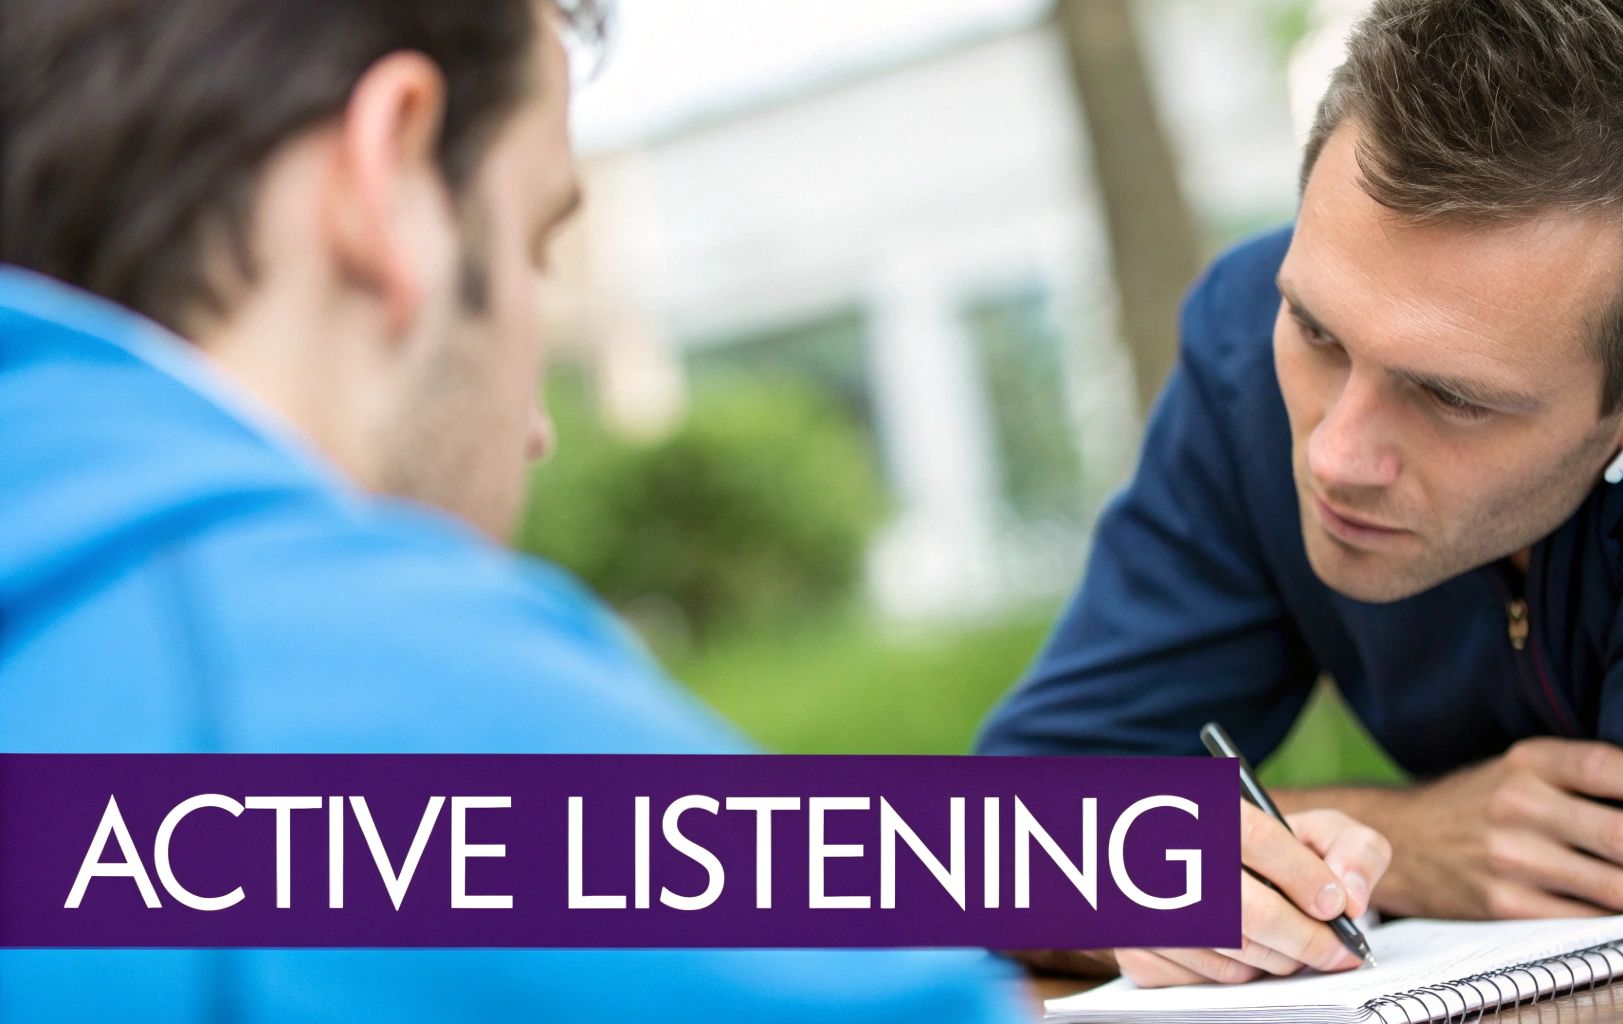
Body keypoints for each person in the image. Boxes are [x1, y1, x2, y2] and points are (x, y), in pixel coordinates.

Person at [0, 0, 1391, 1015]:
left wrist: (1102, 853)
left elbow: (519, 855)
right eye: (538, 241)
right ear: (390, 176)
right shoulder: (300, 680)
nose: (537, 422)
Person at [977, 0, 1623, 986]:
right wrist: (1405, 840)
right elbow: (978, 844)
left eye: (1451, 397)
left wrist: (1156, 846)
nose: (1335, 454)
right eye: (1317, 332)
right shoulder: (1242, 333)